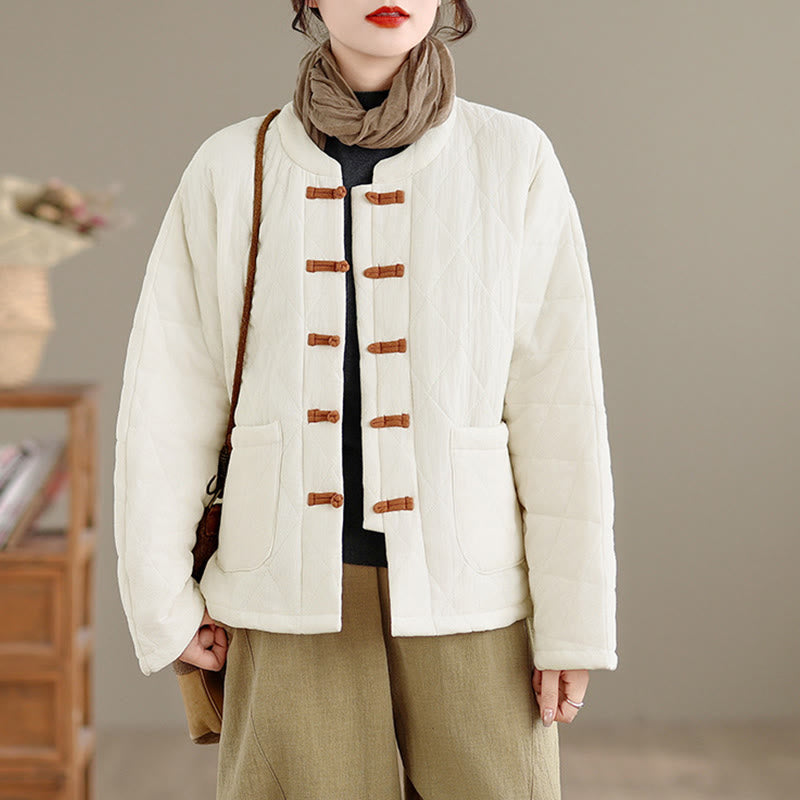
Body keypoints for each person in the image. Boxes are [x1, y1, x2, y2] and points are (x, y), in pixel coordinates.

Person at [113, 1, 618, 798]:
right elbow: (167, 400)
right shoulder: (230, 165)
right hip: (285, 585)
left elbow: (561, 407)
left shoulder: (511, 157)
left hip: (472, 585)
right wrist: (161, 600)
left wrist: (572, 624)